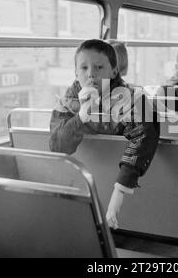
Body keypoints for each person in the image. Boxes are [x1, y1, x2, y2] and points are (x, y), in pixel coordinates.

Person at [49, 39, 160, 229]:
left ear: (114, 71)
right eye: (83, 68)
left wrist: (119, 191)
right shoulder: (69, 99)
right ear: (76, 73)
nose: (90, 74)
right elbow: (58, 146)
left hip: (132, 190)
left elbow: (145, 134)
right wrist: (82, 116)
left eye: (99, 67)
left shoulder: (133, 99)